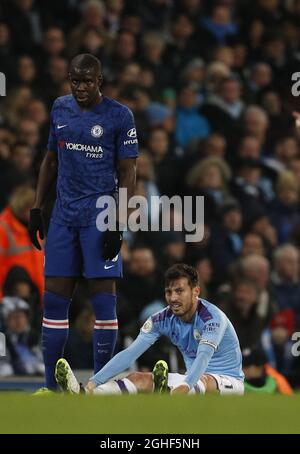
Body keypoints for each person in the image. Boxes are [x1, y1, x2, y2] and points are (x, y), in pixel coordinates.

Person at [28, 53, 138, 390]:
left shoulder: (120, 115)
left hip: (99, 216)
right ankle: (50, 387)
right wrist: (37, 206)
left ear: (100, 81)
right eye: (75, 80)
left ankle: (101, 386)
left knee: (103, 298)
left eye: (87, 81)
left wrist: (117, 221)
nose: (80, 87)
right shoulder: (60, 108)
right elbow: (50, 160)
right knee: (55, 300)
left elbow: (128, 171)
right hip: (63, 215)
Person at [54, 263, 245, 396]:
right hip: (193, 382)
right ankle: (84, 395)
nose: (173, 298)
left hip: (228, 384)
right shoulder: (161, 319)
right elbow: (130, 354)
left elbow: (203, 356)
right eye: (169, 292)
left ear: (196, 291)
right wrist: (93, 382)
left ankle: (169, 393)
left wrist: (185, 385)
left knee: (201, 380)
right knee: (137, 378)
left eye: (179, 291)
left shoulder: (212, 318)